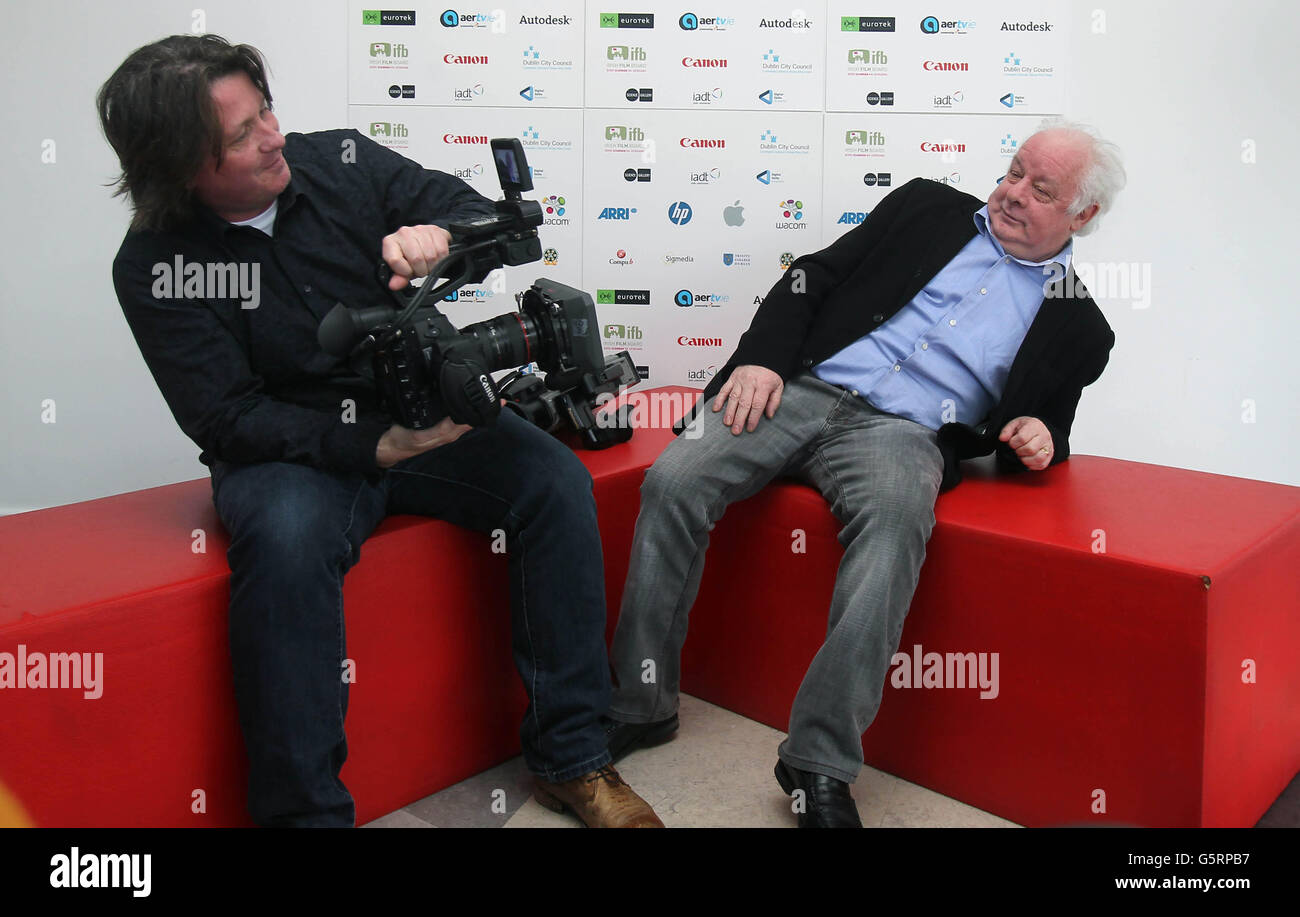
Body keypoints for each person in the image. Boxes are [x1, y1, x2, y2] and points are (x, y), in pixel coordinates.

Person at [98, 34, 662, 828]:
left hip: (419, 407)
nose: (272, 137)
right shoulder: (153, 264)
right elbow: (226, 416)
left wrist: (444, 235)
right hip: (289, 445)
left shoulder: (339, 162)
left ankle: (572, 758)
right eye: (241, 134)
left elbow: (472, 210)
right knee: (286, 549)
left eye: (266, 111)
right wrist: (371, 449)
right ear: (180, 169)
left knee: (553, 483)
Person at [604, 121, 1125, 827]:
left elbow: (1049, 425)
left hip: (903, 434)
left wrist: (1041, 437)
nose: (1010, 192)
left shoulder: (1080, 326)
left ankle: (818, 759)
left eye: (1041, 189)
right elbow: (810, 277)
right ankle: (642, 703)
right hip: (800, 386)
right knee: (674, 478)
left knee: (893, 534)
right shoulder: (924, 208)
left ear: (1083, 215)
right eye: (1012, 170)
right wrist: (760, 358)